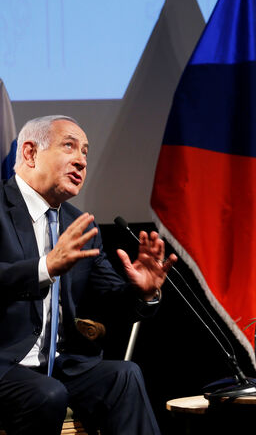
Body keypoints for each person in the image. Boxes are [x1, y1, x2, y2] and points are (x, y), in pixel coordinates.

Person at [0, 115, 177, 434]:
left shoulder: (80, 224)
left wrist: (143, 292)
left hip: (63, 366)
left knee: (124, 375)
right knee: (47, 395)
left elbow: (109, 300)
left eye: (85, 151)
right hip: (5, 365)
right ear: (30, 153)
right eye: (69, 146)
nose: (81, 160)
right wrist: (46, 267)